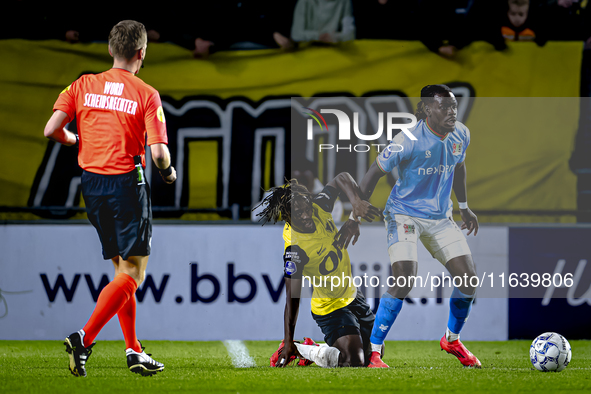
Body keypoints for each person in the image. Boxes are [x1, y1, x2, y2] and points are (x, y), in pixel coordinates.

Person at [43, 20, 177, 377]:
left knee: (120, 270)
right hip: (126, 186)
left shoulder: (83, 84)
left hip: (92, 186)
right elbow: (160, 153)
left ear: (109, 49)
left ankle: (134, 350)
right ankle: (84, 337)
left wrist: (74, 142)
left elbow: (51, 129)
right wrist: (167, 173)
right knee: (134, 272)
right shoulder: (146, 93)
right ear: (142, 53)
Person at [340, 84, 481, 368]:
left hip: (441, 217)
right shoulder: (407, 139)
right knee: (404, 276)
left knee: (468, 279)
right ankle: (374, 350)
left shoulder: (461, 133)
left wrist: (464, 207)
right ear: (428, 109)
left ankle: (451, 339)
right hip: (403, 214)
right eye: (444, 106)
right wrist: (354, 218)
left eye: (453, 106)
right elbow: (373, 173)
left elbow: (459, 167)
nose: (452, 111)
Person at [256, 173, 383, 367]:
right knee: (353, 361)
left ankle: (320, 347)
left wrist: (355, 211)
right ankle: (301, 349)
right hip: (330, 306)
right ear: (287, 216)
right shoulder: (295, 249)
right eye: (298, 214)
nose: (306, 215)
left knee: (372, 355)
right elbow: (292, 298)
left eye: (306, 209)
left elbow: (342, 177)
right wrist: (289, 339)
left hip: (352, 293)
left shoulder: (319, 206)